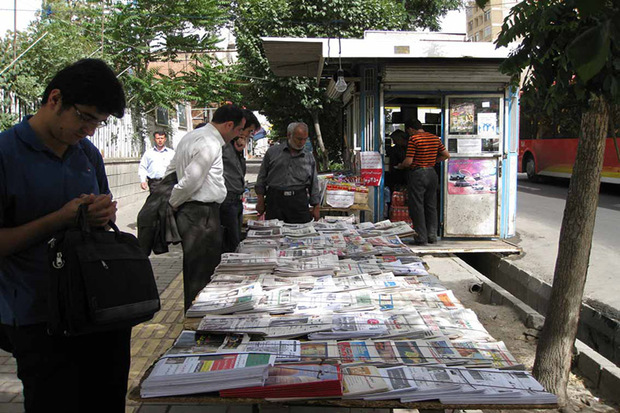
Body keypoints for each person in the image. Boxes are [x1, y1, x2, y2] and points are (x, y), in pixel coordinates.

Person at [0, 59, 128, 412]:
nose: (89, 130)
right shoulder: (6, 154)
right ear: (55, 99)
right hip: (37, 316)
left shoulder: (87, 154)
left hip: (96, 307)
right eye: (85, 117)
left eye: (98, 123)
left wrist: (101, 216)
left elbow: (97, 222)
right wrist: (60, 218)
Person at [165, 104, 246, 311]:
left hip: (198, 212)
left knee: (196, 269)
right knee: (202, 272)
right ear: (229, 125)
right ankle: (198, 318)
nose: (238, 136)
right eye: (238, 130)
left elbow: (171, 171)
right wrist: (173, 202)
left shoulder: (192, 136)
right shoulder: (209, 142)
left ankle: (196, 313)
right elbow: (192, 178)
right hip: (200, 214)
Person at [396, 119, 450, 245]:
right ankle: (432, 236)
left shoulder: (414, 139)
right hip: (431, 173)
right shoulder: (435, 138)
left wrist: (401, 166)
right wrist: (433, 161)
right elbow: (446, 155)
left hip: (418, 174)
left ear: (410, 129)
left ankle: (421, 237)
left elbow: (409, 161)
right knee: (431, 205)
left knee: (417, 205)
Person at [255, 122, 320, 223]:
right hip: (275, 199)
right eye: (299, 139)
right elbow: (262, 177)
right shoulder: (272, 152)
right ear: (289, 135)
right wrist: (260, 200)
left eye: (305, 139)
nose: (302, 142)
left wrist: (316, 206)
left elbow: (314, 183)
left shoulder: (308, 157)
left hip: (298, 200)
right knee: (275, 234)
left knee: (300, 233)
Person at [220, 110, 260, 253]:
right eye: (249, 131)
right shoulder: (223, 145)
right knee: (230, 245)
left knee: (235, 243)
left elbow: (240, 172)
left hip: (236, 201)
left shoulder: (236, 147)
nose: (249, 135)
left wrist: (240, 151)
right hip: (226, 200)